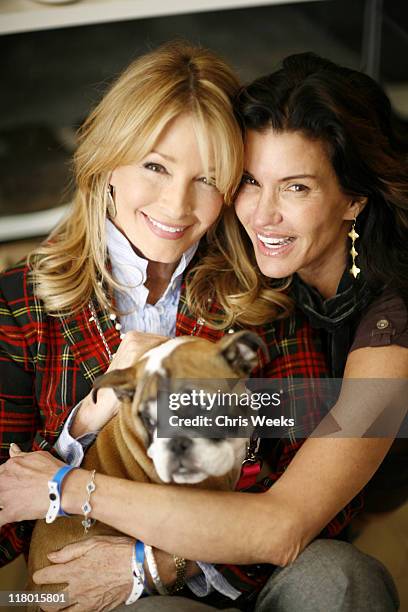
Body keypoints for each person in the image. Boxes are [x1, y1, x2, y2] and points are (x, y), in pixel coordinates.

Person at [0, 52, 404, 612]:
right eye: (155, 167)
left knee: (340, 577)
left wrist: (154, 562)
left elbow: (314, 508)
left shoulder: (261, 294)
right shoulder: (20, 303)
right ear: (105, 161)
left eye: (210, 178)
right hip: (95, 581)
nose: (177, 204)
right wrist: (83, 426)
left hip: (246, 573)